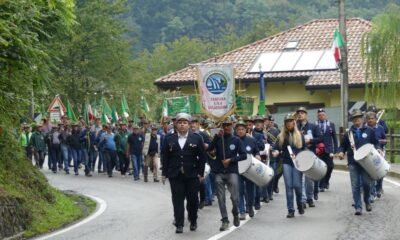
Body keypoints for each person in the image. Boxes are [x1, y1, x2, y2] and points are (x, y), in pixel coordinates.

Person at [161, 113, 207, 234]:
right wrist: (164, 173)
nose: (182, 125)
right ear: (176, 124)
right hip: (175, 175)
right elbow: (165, 157)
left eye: (185, 122)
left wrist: (200, 174)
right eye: (180, 122)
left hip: (192, 175)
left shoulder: (197, 138)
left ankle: (193, 220)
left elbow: (202, 157)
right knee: (177, 200)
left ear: (189, 124)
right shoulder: (169, 138)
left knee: (192, 200)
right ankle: (179, 223)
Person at [338, 109, 382, 215]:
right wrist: (341, 152)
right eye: (354, 119)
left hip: (367, 162)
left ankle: (367, 201)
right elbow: (343, 145)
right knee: (355, 185)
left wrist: (378, 148)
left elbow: (375, 143)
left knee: (367, 184)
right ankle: (358, 206)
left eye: (358, 119)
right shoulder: (349, 133)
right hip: (353, 162)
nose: (357, 121)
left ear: (362, 119)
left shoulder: (369, 131)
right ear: (352, 121)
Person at [207, 116, 247, 231]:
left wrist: (231, 160)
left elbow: (244, 155)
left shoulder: (237, 140)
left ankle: (235, 212)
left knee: (235, 197)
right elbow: (209, 149)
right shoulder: (218, 138)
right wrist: (216, 137)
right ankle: (225, 220)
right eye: (224, 125)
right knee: (220, 197)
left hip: (232, 171)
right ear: (221, 126)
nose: (227, 127)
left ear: (232, 125)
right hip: (219, 171)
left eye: (228, 125)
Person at [272, 113, 305, 218]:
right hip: (287, 163)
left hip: (298, 164)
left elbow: (304, 149)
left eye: (291, 121)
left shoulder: (300, 135)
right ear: (285, 123)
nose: (289, 123)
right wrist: (275, 151)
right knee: (288, 186)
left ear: (294, 122)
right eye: (287, 122)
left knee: (297, 185)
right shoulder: (281, 136)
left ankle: (300, 204)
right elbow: (275, 147)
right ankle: (290, 209)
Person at [296, 107, 322, 207]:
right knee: (300, 179)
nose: (300, 115)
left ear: (306, 115)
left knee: (309, 179)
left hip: (310, 154)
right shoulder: (295, 127)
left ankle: (309, 197)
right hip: (299, 155)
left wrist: (310, 141)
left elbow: (320, 138)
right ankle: (302, 200)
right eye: (299, 113)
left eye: (302, 113)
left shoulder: (313, 126)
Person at [235, 119, 260, 220]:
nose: (240, 131)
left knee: (250, 191)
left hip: (250, 170)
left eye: (242, 129)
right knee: (239, 191)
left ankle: (249, 206)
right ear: (236, 131)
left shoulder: (251, 140)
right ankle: (241, 211)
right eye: (238, 129)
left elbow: (257, 152)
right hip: (237, 169)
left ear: (246, 130)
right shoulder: (233, 140)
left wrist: (258, 156)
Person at [365, 111, 387, 200]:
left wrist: (381, 143)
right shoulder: (364, 128)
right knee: (370, 173)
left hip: (379, 152)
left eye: (372, 118)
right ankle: (372, 191)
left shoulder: (381, 128)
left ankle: (379, 188)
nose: (370, 120)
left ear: (376, 119)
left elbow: (384, 140)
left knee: (380, 172)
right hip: (368, 153)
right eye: (369, 119)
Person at [315, 109, 338, 191]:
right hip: (318, 150)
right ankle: (321, 185)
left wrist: (336, 149)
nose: (321, 116)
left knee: (330, 166)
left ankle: (326, 181)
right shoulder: (315, 124)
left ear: (325, 115)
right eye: (320, 115)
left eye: (323, 115)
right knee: (320, 167)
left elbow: (334, 137)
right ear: (317, 116)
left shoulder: (331, 124)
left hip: (329, 149)